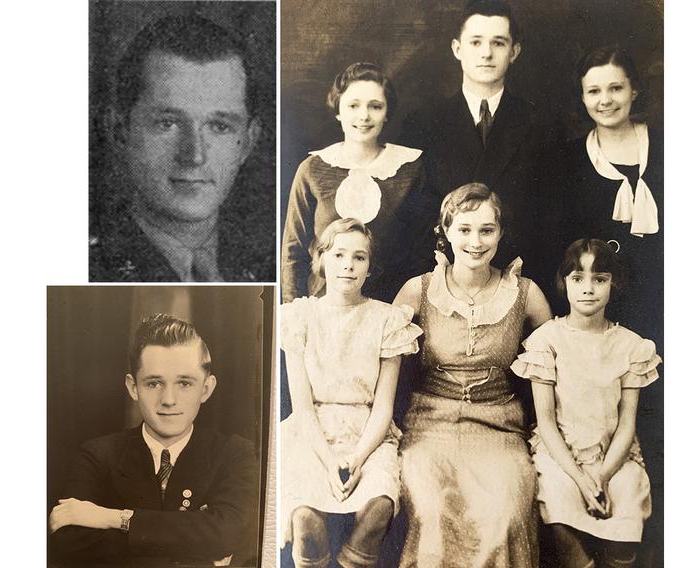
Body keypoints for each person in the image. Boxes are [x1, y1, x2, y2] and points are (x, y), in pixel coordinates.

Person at [394, 183, 552, 568]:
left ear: (501, 233)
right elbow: (373, 351)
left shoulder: (525, 293)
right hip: (429, 427)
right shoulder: (419, 290)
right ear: (446, 232)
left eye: (487, 230)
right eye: (464, 229)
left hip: (499, 427)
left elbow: (560, 360)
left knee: (507, 512)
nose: (475, 242)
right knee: (431, 510)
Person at [49, 314, 259, 566]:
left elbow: (228, 534)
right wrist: (197, 549)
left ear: (206, 388)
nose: (168, 399)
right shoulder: (98, 455)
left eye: (184, 383)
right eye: (154, 383)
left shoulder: (235, 453)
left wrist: (114, 518)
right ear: (133, 387)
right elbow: (68, 541)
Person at [280, 219, 422, 568]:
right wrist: (330, 463)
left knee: (379, 508)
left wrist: (357, 459)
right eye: (339, 254)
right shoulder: (299, 317)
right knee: (305, 520)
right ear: (321, 260)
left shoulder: (388, 320)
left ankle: (354, 560)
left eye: (359, 257)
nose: (348, 265)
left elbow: (383, 407)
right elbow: (303, 407)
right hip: (313, 433)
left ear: (370, 267)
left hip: (368, 433)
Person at [511, 239, 661, 568]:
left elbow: (626, 424)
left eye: (599, 279)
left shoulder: (631, 346)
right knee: (560, 519)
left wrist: (603, 477)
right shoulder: (546, 341)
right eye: (578, 279)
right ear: (564, 283)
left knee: (626, 518)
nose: (588, 289)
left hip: (613, 457)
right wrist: (582, 479)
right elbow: (546, 423)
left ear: (614, 283)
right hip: (561, 456)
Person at [89, 13, 269, 282]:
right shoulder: (88, 270)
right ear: (119, 131)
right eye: (168, 123)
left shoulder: (270, 266)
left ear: (248, 142)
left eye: (219, 126)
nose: (195, 156)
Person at [400, 0, 554, 283]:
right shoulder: (421, 124)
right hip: (442, 276)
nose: (486, 53)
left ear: (514, 51)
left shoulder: (541, 125)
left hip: (519, 276)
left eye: (498, 42)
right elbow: (413, 217)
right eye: (476, 42)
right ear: (457, 49)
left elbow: (547, 217)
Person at [282, 62, 425, 304]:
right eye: (353, 106)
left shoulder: (410, 168)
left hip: (391, 308)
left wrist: (406, 312)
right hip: (323, 307)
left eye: (375, 106)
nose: (364, 115)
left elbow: (422, 249)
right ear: (338, 111)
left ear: (387, 112)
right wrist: (294, 316)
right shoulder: (313, 169)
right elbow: (292, 252)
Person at [554, 45, 663, 352]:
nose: (605, 100)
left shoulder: (666, 146)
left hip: (661, 301)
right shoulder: (568, 160)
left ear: (635, 90)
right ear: (583, 97)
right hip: (598, 310)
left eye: (616, 88)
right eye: (594, 91)